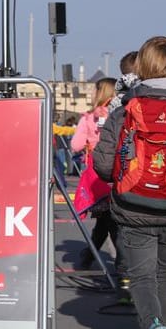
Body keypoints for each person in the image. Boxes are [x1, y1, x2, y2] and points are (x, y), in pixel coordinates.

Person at [94, 36, 166, 329]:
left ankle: (153, 327)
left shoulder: (124, 110)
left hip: (133, 204)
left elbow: (104, 164)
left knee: (142, 277)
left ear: (142, 66)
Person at [71, 77, 122, 272]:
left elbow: (75, 145)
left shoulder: (88, 118)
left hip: (97, 176)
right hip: (117, 173)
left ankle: (101, 258)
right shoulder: (120, 115)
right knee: (109, 220)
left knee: (105, 219)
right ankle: (96, 256)